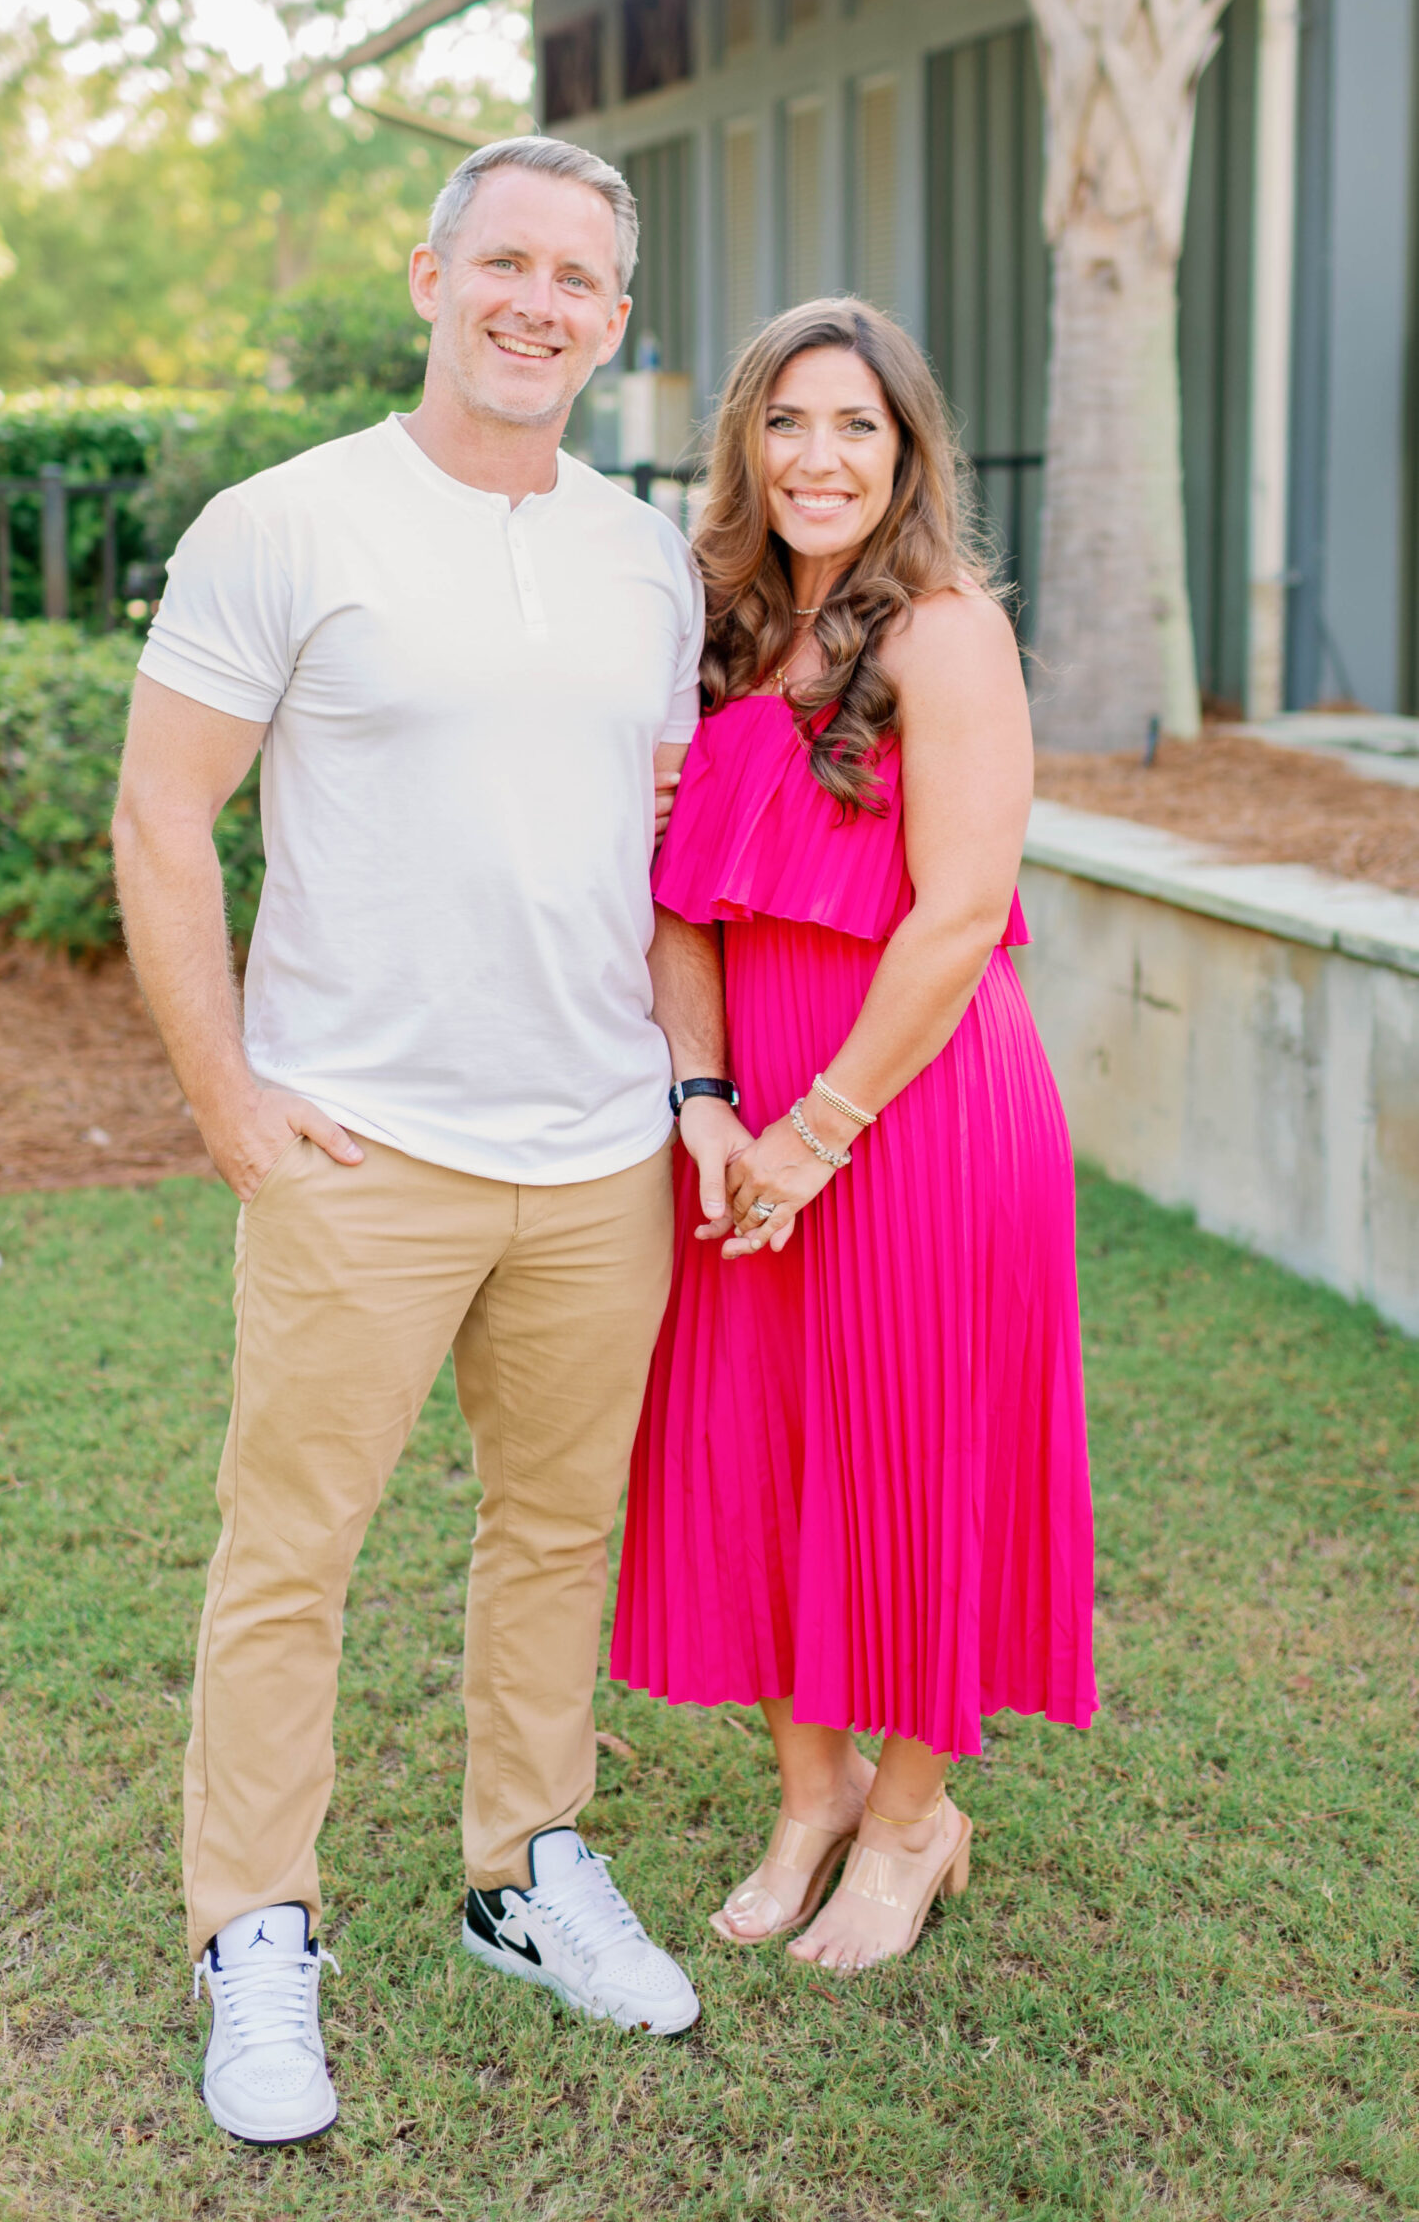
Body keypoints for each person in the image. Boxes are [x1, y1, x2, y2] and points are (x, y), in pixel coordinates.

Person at [112, 136, 707, 2149]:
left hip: (597, 1143)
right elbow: (158, 816)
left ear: (617, 321)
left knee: (555, 1533)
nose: (539, 302)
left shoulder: (644, 557)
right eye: (507, 263)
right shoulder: (287, 522)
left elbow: (651, 838)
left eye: (581, 279)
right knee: (294, 1551)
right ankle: (252, 1929)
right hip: (362, 1147)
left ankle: (524, 1869)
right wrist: (229, 1095)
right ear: (433, 273)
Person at [610, 298, 1099, 1976]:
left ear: (906, 454)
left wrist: (815, 1129)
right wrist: (704, 1105)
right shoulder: (717, 629)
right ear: (747, 440)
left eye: (858, 429)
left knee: (918, 1462)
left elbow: (960, 915)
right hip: (750, 1129)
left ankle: (909, 1823)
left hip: (916, 1117)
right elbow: (675, 895)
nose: (820, 459)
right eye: (789, 424)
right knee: (758, 1451)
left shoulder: (946, 633)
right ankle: (809, 1797)